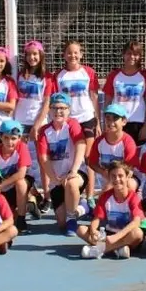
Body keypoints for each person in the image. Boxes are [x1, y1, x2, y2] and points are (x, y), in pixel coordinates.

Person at [36, 93, 90, 236]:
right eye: (54, 108)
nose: (58, 111)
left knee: (71, 183)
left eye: (62, 108)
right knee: (61, 223)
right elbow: (44, 158)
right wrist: (54, 179)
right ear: (49, 110)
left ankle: (72, 220)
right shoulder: (44, 131)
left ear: (68, 110)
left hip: (76, 173)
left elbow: (81, 145)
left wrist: (73, 171)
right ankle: (83, 207)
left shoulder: (72, 124)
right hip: (58, 179)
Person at [54, 40, 101, 201]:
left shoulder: (88, 72)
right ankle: (73, 192)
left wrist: (98, 121)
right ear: (64, 55)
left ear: (81, 54)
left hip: (87, 118)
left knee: (88, 157)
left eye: (76, 52)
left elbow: (94, 98)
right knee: (71, 157)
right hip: (68, 121)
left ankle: (90, 195)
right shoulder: (59, 75)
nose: (72, 55)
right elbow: (56, 101)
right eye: (69, 52)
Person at [13, 40, 54, 207]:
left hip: (39, 122)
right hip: (20, 122)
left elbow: (46, 104)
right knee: (21, 160)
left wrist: (37, 125)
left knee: (42, 160)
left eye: (35, 54)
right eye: (29, 54)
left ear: (41, 55)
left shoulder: (47, 77)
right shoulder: (19, 75)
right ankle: (31, 193)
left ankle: (47, 196)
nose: (32, 57)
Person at [77, 161, 145, 259]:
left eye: (120, 176)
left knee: (138, 233)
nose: (117, 179)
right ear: (109, 178)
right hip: (109, 234)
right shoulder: (105, 196)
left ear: (127, 177)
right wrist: (93, 231)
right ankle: (118, 249)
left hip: (126, 236)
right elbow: (96, 219)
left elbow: (136, 222)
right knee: (81, 230)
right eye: (113, 176)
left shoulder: (134, 197)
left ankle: (100, 250)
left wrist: (116, 237)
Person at [0, 119, 36, 232]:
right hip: (4, 188)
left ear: (19, 138)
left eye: (13, 138)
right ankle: (31, 204)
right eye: (6, 138)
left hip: (19, 183)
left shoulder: (22, 147)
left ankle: (22, 219)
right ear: (0, 137)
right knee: (8, 219)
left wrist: (1, 185)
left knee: (20, 183)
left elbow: (21, 174)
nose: (10, 142)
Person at [103, 40, 146, 147]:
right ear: (123, 54)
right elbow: (107, 102)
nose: (132, 57)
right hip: (117, 122)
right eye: (129, 53)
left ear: (140, 56)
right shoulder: (114, 75)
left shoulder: (144, 76)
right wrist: (106, 122)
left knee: (136, 154)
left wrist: (145, 126)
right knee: (118, 152)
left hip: (138, 122)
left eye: (135, 54)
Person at [88, 104, 139, 192]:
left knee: (129, 185)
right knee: (108, 190)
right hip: (108, 178)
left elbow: (130, 169)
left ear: (124, 121)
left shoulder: (128, 142)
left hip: (127, 177)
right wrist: (102, 172)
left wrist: (114, 182)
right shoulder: (99, 141)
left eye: (115, 118)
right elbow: (92, 163)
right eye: (108, 118)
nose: (111, 122)